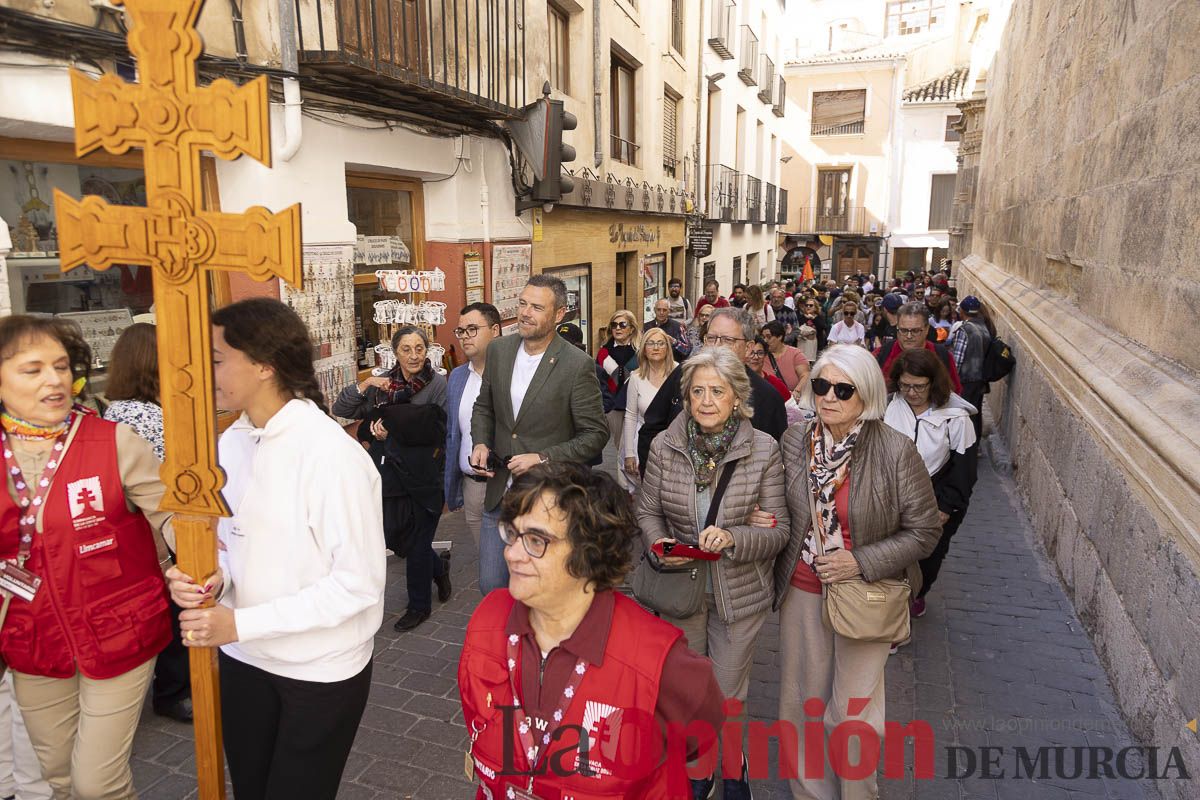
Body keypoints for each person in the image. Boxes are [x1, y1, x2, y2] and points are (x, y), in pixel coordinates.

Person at [168, 298, 385, 799]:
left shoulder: (331, 456)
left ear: (264, 364)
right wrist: (212, 576)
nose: (208, 370)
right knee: (251, 788)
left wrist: (239, 622)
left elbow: (358, 584)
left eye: (218, 358)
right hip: (245, 657)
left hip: (317, 669)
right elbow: (233, 543)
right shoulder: (232, 443)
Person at [458, 463, 725, 799]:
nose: (511, 553)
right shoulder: (486, 622)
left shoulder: (659, 660)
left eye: (536, 540)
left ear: (591, 554)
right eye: (512, 533)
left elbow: (699, 733)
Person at [0, 315, 172, 799]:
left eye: (59, 366)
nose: (53, 379)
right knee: (59, 779)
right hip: (33, 639)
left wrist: (195, 566)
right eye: (32, 370)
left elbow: (171, 514)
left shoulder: (111, 440)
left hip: (119, 631)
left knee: (98, 785)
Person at [774, 344, 941, 800]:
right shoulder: (796, 441)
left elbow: (925, 531)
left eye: (842, 389)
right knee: (802, 708)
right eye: (821, 386)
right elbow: (783, 508)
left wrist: (860, 561)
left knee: (851, 717)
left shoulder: (894, 450)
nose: (828, 397)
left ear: (865, 396)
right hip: (804, 590)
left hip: (867, 594)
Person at [637, 348, 788, 798]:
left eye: (717, 392)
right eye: (697, 391)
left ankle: (733, 764)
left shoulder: (763, 449)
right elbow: (647, 513)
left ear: (737, 398)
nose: (706, 400)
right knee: (688, 690)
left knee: (726, 691)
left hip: (738, 592)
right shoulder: (666, 444)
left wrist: (736, 537)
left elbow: (779, 532)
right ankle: (701, 768)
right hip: (680, 589)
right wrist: (659, 546)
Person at [470, 275, 609, 595]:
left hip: (548, 500)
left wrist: (544, 457)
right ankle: (505, 644)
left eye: (536, 307)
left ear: (559, 314)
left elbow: (595, 434)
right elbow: (484, 407)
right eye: (522, 304)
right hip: (499, 494)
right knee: (491, 586)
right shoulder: (499, 351)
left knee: (540, 590)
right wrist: (480, 441)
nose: (525, 313)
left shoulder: (577, 365)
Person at [102, 322, 193, 724]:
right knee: (175, 608)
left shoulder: (116, 410)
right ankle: (173, 691)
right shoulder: (147, 417)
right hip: (159, 531)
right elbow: (169, 479)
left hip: (136, 531)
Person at [334, 325, 450, 632]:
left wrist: (391, 430)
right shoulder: (381, 385)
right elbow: (341, 408)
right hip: (389, 475)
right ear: (395, 352)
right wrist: (367, 382)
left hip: (424, 475)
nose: (413, 356)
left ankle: (418, 606)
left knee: (420, 539)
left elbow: (439, 430)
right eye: (406, 349)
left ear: (428, 351)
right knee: (399, 538)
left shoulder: (437, 385)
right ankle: (439, 568)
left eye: (419, 349)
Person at [636, 307, 787, 475]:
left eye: (727, 340)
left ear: (748, 347)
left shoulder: (768, 397)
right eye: (711, 338)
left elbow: (774, 463)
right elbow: (651, 431)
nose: (716, 346)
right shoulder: (683, 376)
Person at [884, 350, 977, 620]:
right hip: (893, 494)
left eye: (919, 387)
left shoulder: (955, 418)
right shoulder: (890, 406)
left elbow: (965, 469)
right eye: (905, 385)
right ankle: (890, 612)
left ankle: (917, 594)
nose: (911, 393)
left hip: (936, 496)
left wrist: (946, 506)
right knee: (891, 555)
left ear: (933, 383)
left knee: (928, 556)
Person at [445, 302, 503, 547]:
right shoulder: (458, 377)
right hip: (473, 487)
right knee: (487, 567)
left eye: (472, 329)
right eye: (460, 331)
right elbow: (453, 433)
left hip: (504, 483)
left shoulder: (511, 374)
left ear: (495, 330)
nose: (465, 337)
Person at [621, 327, 675, 486]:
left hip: (674, 443)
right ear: (644, 349)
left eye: (660, 343)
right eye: (651, 343)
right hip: (644, 443)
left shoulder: (680, 373)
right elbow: (630, 416)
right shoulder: (636, 378)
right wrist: (629, 453)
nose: (656, 347)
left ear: (667, 347)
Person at [875, 301, 963, 393]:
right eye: (903, 330)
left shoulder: (942, 356)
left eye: (915, 331)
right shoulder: (881, 354)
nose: (909, 336)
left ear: (927, 329)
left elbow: (955, 392)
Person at [596, 310, 640, 490]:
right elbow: (599, 380)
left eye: (622, 325)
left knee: (628, 444)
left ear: (631, 329)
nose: (618, 328)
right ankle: (626, 486)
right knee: (619, 444)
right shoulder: (604, 352)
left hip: (635, 405)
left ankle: (627, 486)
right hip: (613, 407)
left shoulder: (640, 351)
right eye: (614, 325)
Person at [948, 295, 994, 441]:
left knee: (962, 413)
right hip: (979, 378)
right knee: (976, 412)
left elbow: (957, 359)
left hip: (965, 379)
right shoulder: (985, 327)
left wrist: (950, 379)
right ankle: (975, 444)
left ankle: (964, 444)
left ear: (962, 311)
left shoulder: (965, 329)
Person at [759, 320, 810, 394]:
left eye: (768, 337)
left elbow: (805, 375)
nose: (765, 340)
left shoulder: (795, 354)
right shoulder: (760, 356)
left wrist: (796, 392)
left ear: (779, 336)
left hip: (792, 400)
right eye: (763, 337)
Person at [644, 297, 692, 362]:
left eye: (664, 310)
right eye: (659, 310)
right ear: (654, 310)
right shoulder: (646, 327)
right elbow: (641, 350)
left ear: (669, 311)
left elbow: (687, 350)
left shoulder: (677, 326)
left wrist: (674, 342)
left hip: (672, 366)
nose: (661, 313)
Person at [796, 296, 827, 362]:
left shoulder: (820, 317)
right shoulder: (800, 317)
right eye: (806, 305)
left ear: (815, 308)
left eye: (811, 305)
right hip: (803, 347)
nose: (808, 307)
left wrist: (813, 318)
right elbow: (797, 329)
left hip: (816, 348)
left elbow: (823, 327)